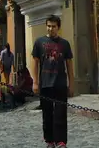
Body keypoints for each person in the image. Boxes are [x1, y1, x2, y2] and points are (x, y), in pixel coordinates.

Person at [32, 14, 74, 148]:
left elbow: (69, 65)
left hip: (60, 83)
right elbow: (35, 63)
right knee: (47, 114)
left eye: (54, 26)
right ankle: (49, 140)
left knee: (61, 113)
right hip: (45, 83)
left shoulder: (65, 44)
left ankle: (61, 141)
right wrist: (35, 82)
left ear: (58, 28)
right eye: (49, 26)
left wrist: (71, 83)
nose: (51, 29)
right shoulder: (39, 42)